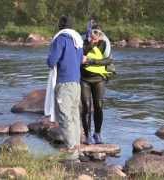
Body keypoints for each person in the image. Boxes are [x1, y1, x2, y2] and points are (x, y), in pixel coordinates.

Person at [46, 15, 83, 160]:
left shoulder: (61, 39)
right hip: (76, 83)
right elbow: (80, 60)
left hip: (64, 83)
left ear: (60, 26)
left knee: (64, 117)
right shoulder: (78, 41)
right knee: (74, 116)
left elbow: (52, 61)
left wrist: (48, 59)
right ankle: (77, 147)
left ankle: (71, 152)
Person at [81, 24, 112, 144]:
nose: (95, 35)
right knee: (87, 107)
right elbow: (81, 55)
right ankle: (87, 134)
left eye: (98, 33)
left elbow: (108, 60)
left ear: (101, 34)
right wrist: (91, 44)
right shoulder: (83, 43)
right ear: (89, 33)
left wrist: (91, 61)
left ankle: (97, 133)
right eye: (93, 32)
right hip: (84, 78)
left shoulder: (104, 43)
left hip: (99, 78)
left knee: (99, 106)